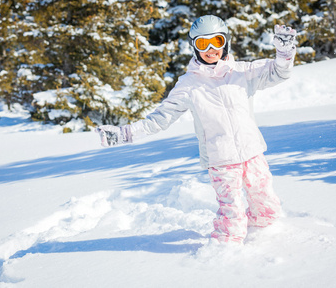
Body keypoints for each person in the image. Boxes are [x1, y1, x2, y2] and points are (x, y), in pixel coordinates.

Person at [96, 15, 297, 244]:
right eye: (203, 44)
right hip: (221, 159)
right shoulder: (189, 85)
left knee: (267, 208)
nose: (211, 49)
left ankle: (266, 240)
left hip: (252, 152)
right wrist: (123, 134)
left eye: (217, 41)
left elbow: (279, 73)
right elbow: (160, 119)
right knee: (231, 214)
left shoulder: (243, 72)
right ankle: (223, 252)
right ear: (194, 47)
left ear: (226, 42)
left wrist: (284, 54)